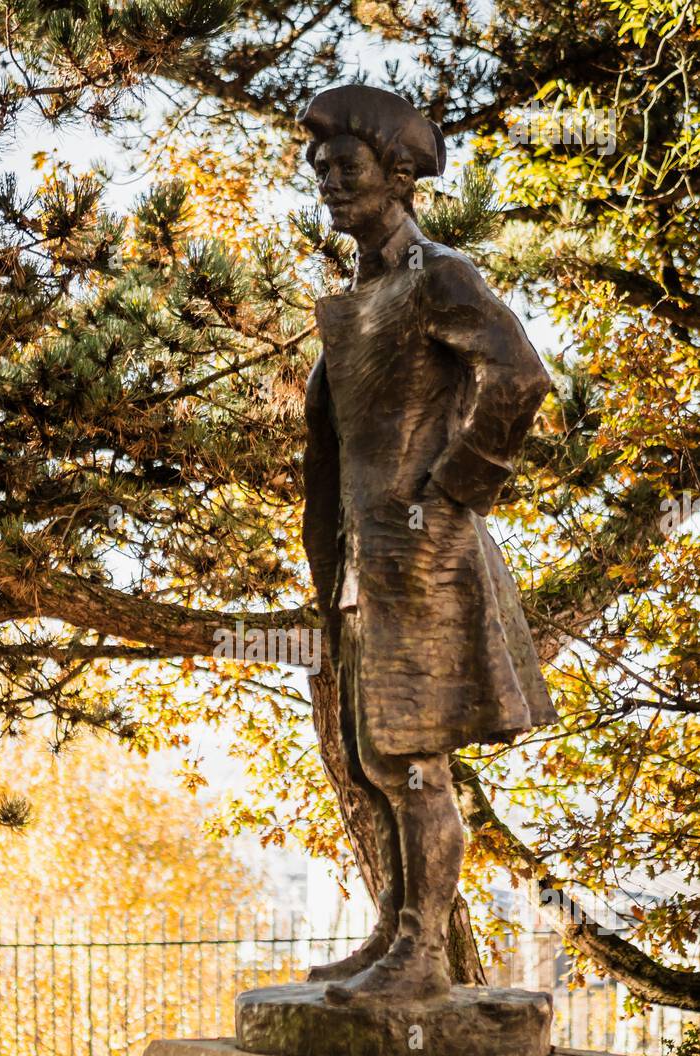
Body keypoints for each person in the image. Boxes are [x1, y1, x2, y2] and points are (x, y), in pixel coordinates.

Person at [299, 85, 556, 1002]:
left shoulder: (438, 275)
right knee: (374, 754)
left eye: (347, 166)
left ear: (398, 175)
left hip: (424, 552)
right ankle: (395, 930)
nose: (328, 180)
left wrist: (452, 490)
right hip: (367, 560)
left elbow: (520, 378)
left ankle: (424, 955)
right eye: (319, 168)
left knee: (413, 756)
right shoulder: (370, 287)